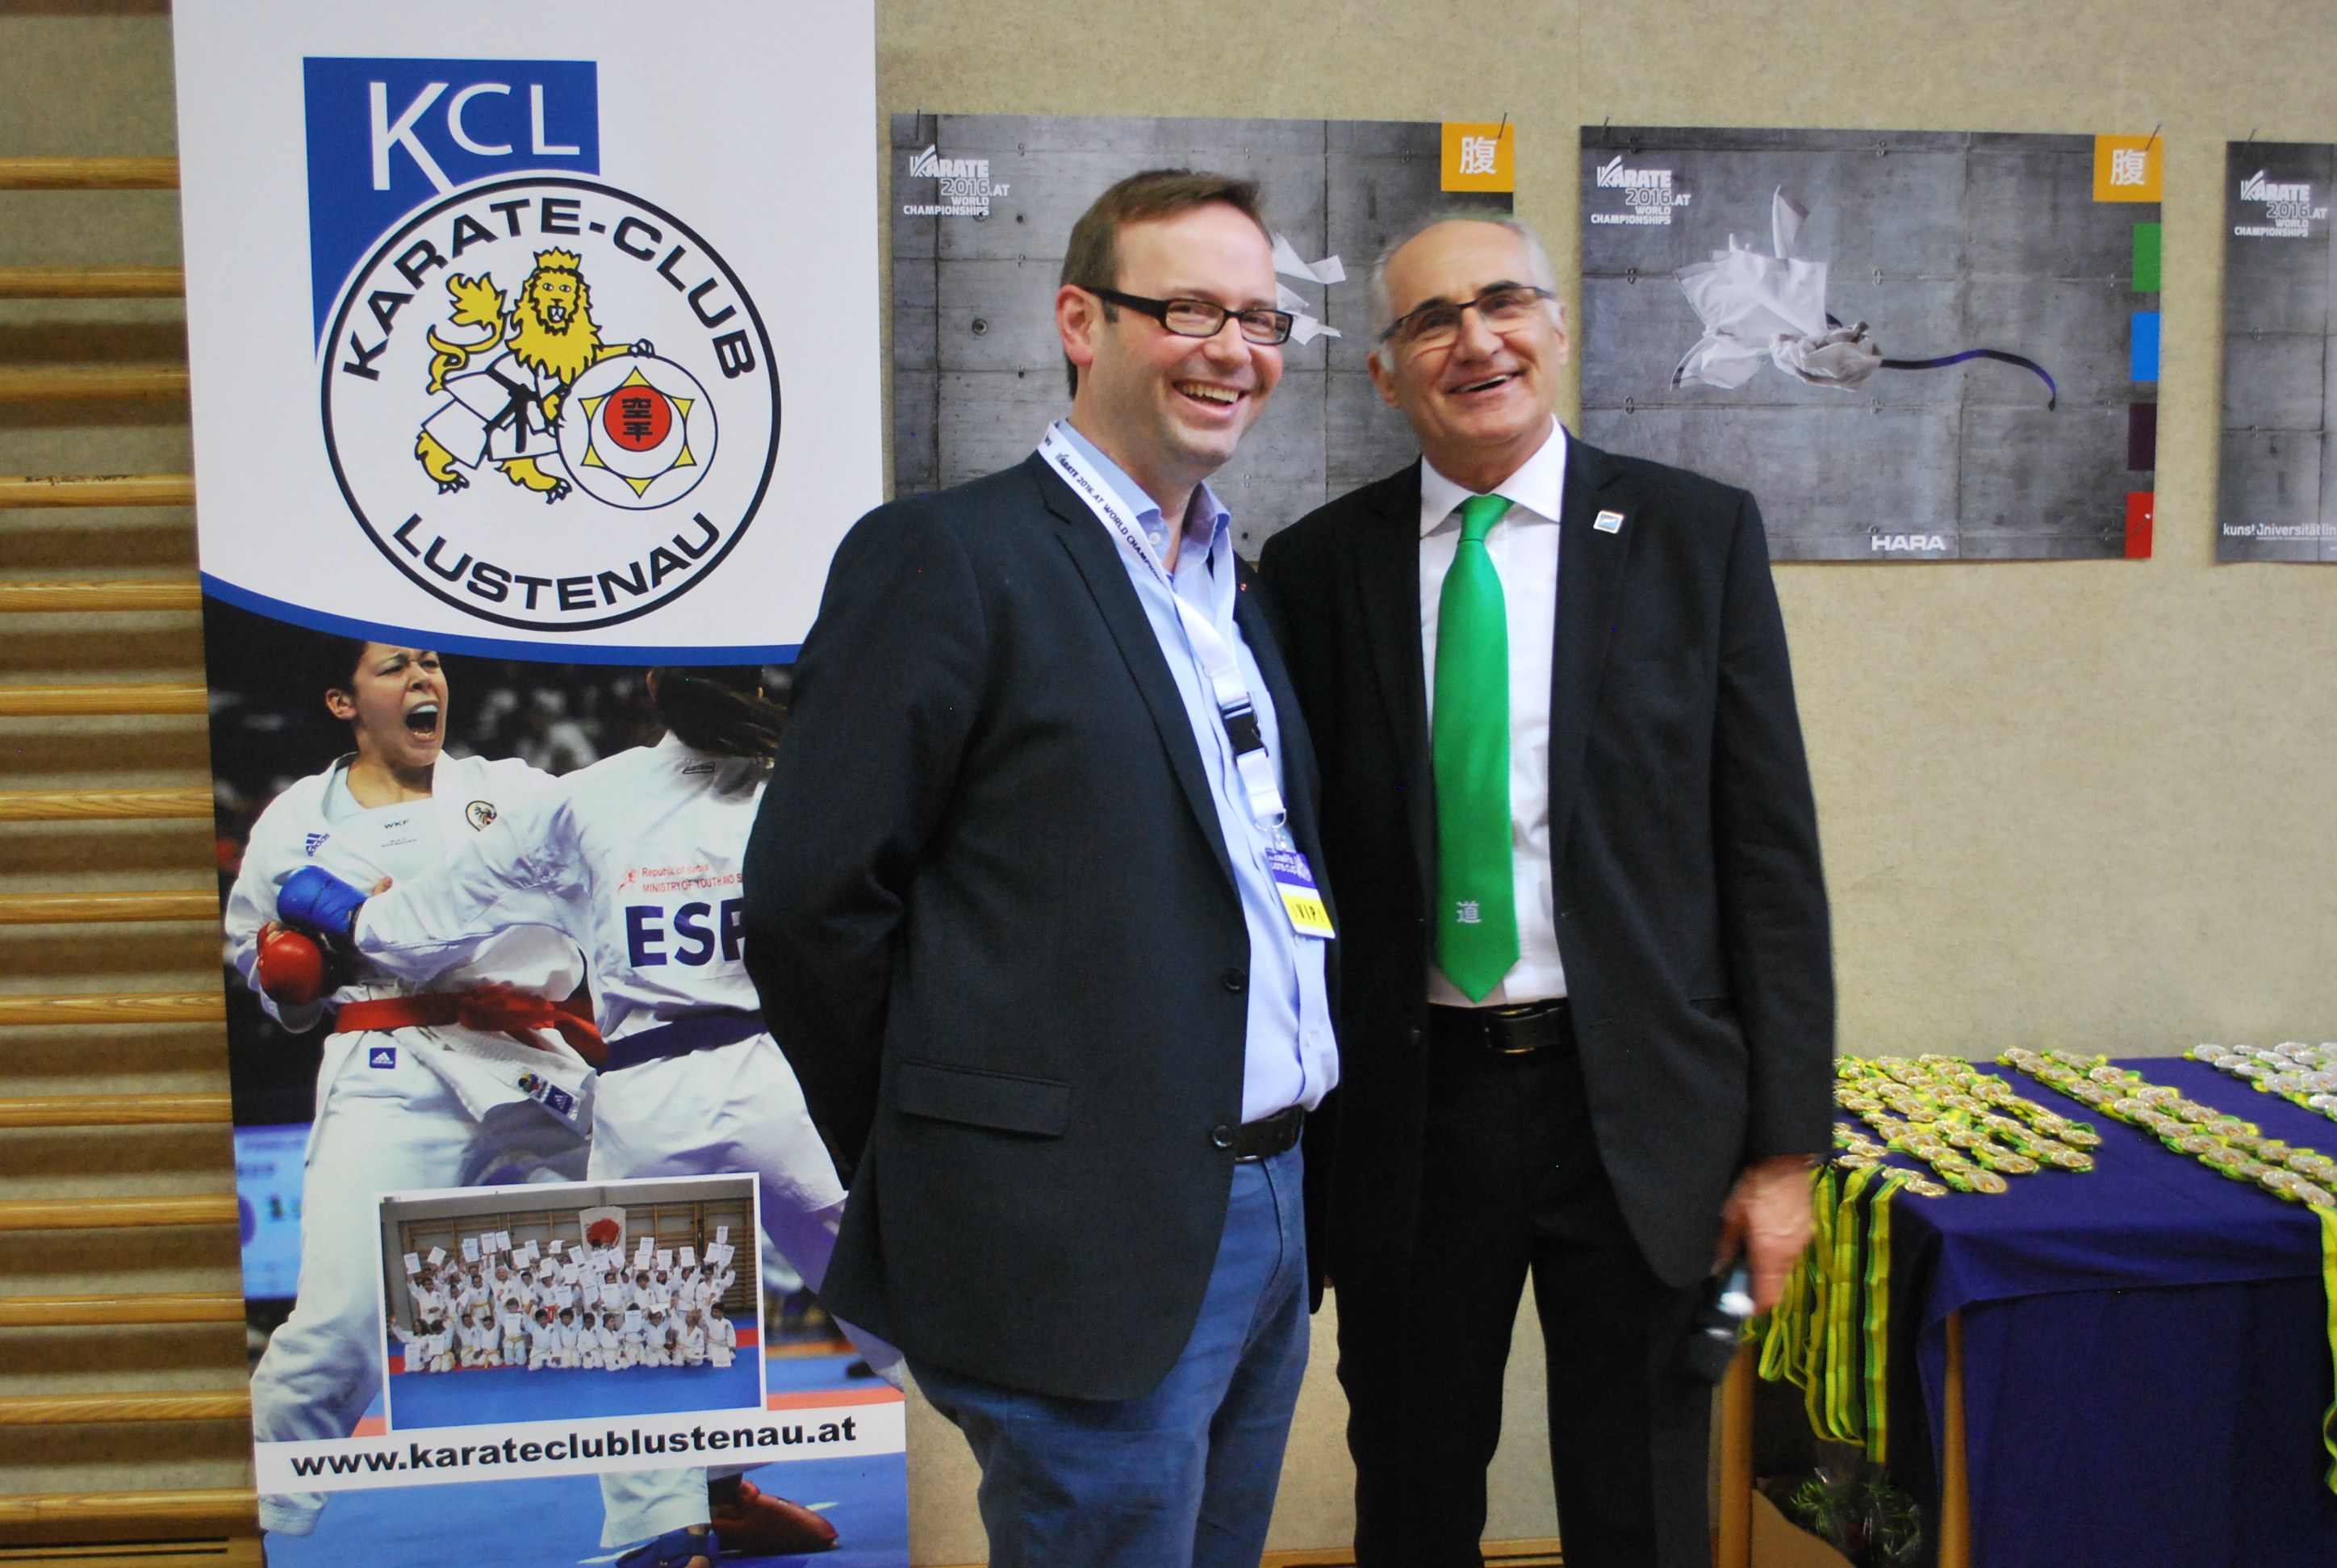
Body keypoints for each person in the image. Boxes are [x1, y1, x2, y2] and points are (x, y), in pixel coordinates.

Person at [742, 168, 1335, 1568]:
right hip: (1070, 1236)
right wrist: (944, 1157)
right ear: (1081, 321)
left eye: (1260, 319)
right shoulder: (946, 557)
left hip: (1265, 1208)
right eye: (1189, 310)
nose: (1233, 350)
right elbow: (809, 907)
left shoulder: (1233, 589)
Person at [1257, 212, 1834, 1568]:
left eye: (1505, 302)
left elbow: (1768, 856)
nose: (1477, 340)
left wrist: (1784, 1153)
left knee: (1641, 1508)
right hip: (1411, 1112)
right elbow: (1291, 857)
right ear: (1384, 373)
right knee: (1411, 1500)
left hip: (1635, 1105)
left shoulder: (1694, 536)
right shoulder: (1317, 568)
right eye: (1431, 320)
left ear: (1558, 330)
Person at [274, 665, 861, 1568]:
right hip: (773, 1076)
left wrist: (344, 916)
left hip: (631, 1085)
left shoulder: (581, 793)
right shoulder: (812, 777)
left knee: (639, 1306)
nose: (421, 676)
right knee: (883, 1291)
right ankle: (983, 1459)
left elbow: (423, 916)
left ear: (654, 687)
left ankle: (672, 1526)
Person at [224, 641, 593, 1541]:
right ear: (343, 702)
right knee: (341, 1320)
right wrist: (289, 973)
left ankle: (703, 1501)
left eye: (431, 663)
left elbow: (597, 892)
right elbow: (261, 967)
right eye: (395, 668)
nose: (424, 679)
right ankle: (250, 1521)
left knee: (669, 1252)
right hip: (388, 1065)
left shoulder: (515, 790)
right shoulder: (293, 822)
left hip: (527, 1055)